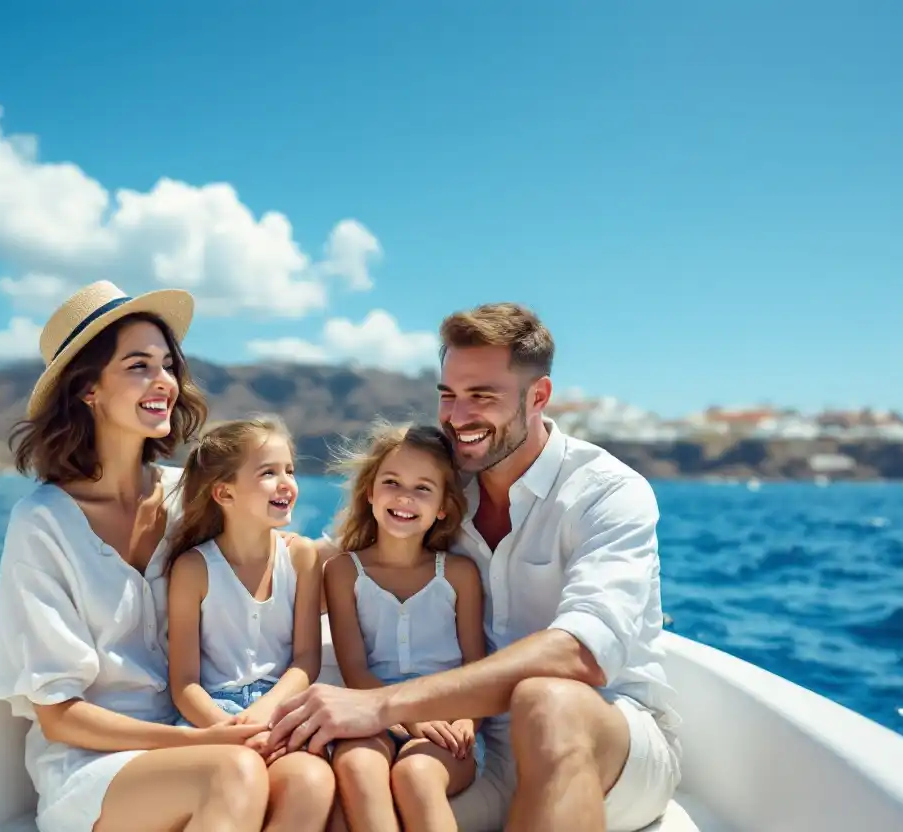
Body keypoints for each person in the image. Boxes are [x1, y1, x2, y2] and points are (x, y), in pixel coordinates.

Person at [268, 302, 682, 832]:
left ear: (539, 397)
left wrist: (382, 705)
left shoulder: (607, 493)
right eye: (448, 396)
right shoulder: (435, 484)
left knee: (547, 699)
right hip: (474, 748)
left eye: (482, 397)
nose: (458, 417)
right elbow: (321, 559)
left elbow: (581, 655)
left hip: (608, 749)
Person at [0, 280, 271, 832]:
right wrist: (204, 739)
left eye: (167, 364)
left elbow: (277, 559)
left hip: (194, 739)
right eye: (138, 365)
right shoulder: (42, 521)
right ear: (89, 388)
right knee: (233, 771)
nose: (164, 380)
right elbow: (59, 714)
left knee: (307, 776)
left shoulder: (189, 495)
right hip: (93, 767)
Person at [165, 416, 336, 831]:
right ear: (224, 492)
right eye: (268, 473)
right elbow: (184, 683)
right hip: (213, 714)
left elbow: (305, 659)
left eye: (289, 471)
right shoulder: (193, 568)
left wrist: (265, 715)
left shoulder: (301, 558)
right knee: (243, 778)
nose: (286, 483)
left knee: (312, 782)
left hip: (282, 709)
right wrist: (226, 729)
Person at [323, 422, 487, 832]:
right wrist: (406, 718)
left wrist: (467, 723)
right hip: (371, 716)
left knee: (416, 775)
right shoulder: (343, 571)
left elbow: (475, 670)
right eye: (392, 482)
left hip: (446, 724)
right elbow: (355, 671)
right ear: (370, 492)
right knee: (358, 766)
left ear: (444, 507)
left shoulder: (459, 574)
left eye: (423, 489)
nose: (404, 498)